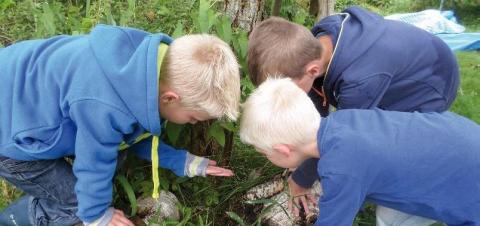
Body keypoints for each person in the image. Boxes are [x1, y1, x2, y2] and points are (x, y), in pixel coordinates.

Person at [0, 24, 240, 226]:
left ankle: (48, 195)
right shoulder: (104, 106)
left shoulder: (146, 65)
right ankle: (16, 218)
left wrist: (184, 162)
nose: (194, 124)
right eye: (194, 119)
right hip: (11, 132)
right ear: (169, 98)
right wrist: (97, 215)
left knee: (103, 175)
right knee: (78, 204)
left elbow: (133, 135)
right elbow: (93, 162)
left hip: (23, 92)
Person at [247, 6, 460, 223]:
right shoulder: (316, 44)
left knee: (374, 142)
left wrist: (300, 181)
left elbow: (342, 137)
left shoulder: (360, 83)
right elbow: (314, 103)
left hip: (430, 85)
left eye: (286, 88)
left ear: (311, 71)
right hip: (401, 67)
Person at [239, 78, 480, 225]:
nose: (265, 158)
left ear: (283, 150)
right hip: (461, 138)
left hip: (466, 187)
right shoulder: (342, 120)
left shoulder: (341, 171)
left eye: (264, 153)